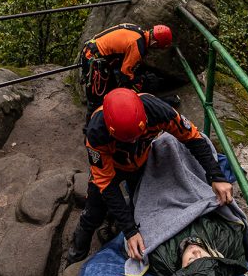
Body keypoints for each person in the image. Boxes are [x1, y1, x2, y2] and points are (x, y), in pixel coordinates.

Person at [66, 88, 234, 265]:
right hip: (112, 168)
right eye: (127, 140)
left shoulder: (159, 111)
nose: (132, 142)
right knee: (93, 211)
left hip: (141, 161)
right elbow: (106, 183)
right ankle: (76, 253)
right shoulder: (97, 131)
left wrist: (217, 176)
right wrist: (130, 232)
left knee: (138, 203)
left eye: (135, 137)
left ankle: (114, 222)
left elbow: (192, 138)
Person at [79, 23, 173, 115]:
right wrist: (136, 84)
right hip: (94, 59)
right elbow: (125, 73)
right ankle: (90, 128)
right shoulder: (138, 45)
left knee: (109, 90)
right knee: (96, 101)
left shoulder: (136, 29)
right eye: (158, 47)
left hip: (92, 48)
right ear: (155, 43)